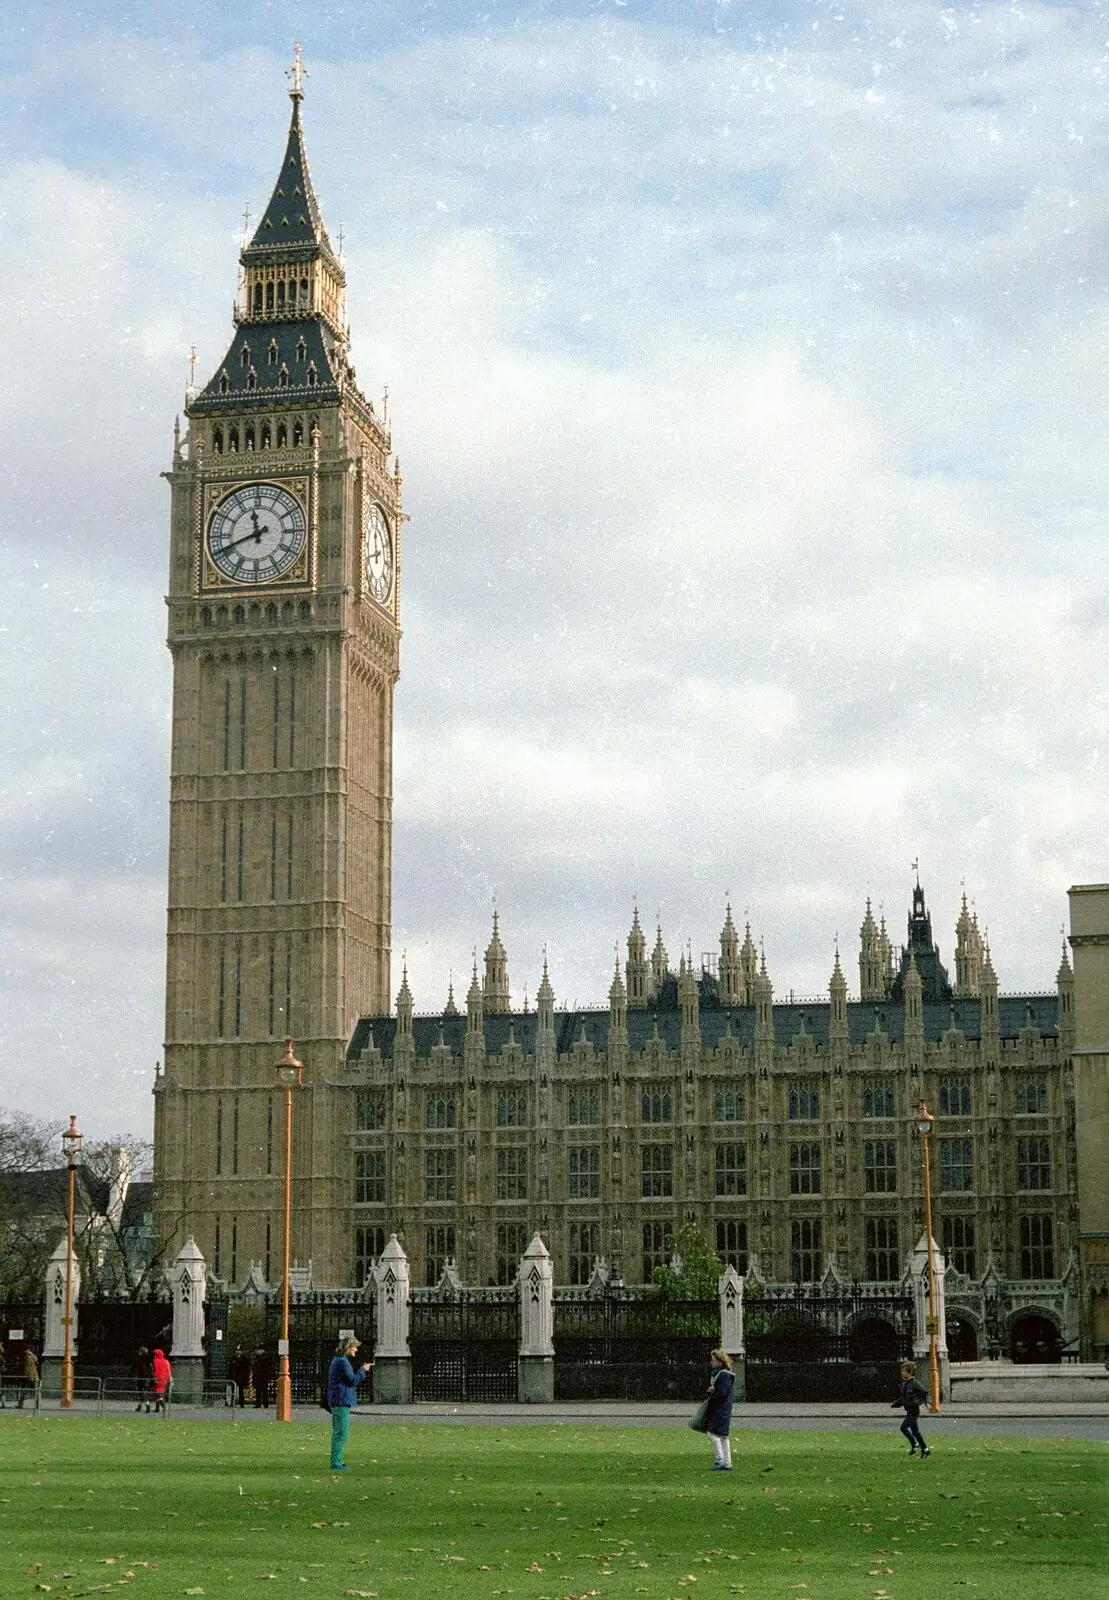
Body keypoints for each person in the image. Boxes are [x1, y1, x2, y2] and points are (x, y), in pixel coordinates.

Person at [325, 1336, 373, 1472]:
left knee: (340, 1432)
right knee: (341, 1433)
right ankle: (336, 1463)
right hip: (341, 1400)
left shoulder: (338, 1360)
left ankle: (338, 1461)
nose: (356, 1349)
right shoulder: (342, 1362)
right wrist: (363, 1370)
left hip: (338, 1399)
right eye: (355, 1346)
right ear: (348, 1347)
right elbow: (352, 1380)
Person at [703, 1349, 735, 1471]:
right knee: (723, 1436)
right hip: (724, 1408)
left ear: (720, 1361)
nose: (711, 1362)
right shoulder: (724, 1374)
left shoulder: (723, 1375)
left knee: (713, 1433)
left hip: (720, 1409)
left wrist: (712, 1391)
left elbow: (720, 1393)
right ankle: (727, 1462)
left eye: (713, 1360)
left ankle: (720, 1460)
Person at [892, 1361, 931, 1457]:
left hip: (914, 1411)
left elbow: (925, 1393)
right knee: (915, 1432)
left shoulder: (915, 1383)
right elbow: (903, 1398)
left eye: (903, 1371)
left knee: (903, 1428)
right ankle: (925, 1449)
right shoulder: (904, 1385)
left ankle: (915, 1444)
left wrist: (927, 1403)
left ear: (909, 1372)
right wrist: (895, 1404)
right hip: (909, 1410)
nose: (902, 1373)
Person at [150, 1348, 172, 1415]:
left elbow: (153, 1370)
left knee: (157, 1393)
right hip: (165, 1379)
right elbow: (169, 1370)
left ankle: (163, 1406)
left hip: (157, 1378)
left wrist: (154, 1377)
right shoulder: (166, 1361)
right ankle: (157, 1408)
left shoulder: (154, 1361)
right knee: (160, 1392)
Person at [129, 1346, 152, 1411]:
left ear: (140, 1352)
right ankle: (144, 1404)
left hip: (140, 1377)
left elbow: (133, 1369)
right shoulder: (148, 1360)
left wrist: (130, 1375)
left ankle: (142, 1405)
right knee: (146, 1390)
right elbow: (150, 1369)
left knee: (140, 1391)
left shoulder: (137, 1359)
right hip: (147, 1377)